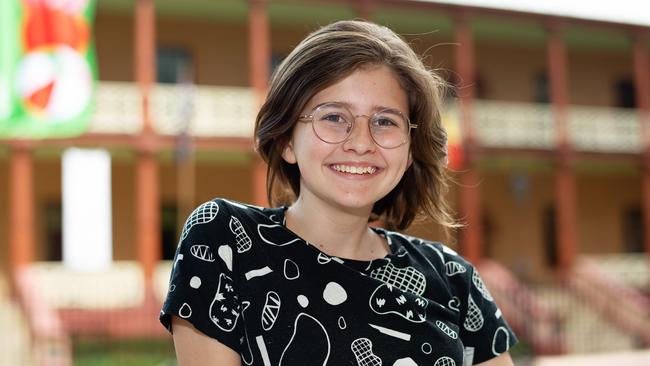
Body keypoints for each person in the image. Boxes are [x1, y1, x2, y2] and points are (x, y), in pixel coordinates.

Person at [160, 20, 517, 366]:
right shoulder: (225, 241)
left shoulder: (453, 277)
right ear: (286, 140)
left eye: (385, 121)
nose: (361, 143)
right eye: (333, 117)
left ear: (409, 150)